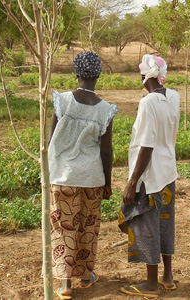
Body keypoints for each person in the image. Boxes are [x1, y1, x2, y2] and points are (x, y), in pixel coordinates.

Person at [48, 51, 117, 300]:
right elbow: (106, 152)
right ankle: (86, 276)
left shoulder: (63, 101)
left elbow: (52, 140)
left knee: (63, 227)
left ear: (76, 73)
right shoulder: (105, 110)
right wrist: (107, 183)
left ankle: (66, 284)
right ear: (98, 75)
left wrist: (49, 172)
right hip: (92, 178)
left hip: (64, 177)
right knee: (88, 227)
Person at [119, 54, 180, 298]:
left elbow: (146, 145)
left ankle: (151, 284)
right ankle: (167, 276)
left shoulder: (147, 104)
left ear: (145, 76)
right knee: (165, 222)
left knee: (147, 225)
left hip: (150, 176)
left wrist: (132, 182)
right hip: (168, 171)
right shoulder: (174, 96)